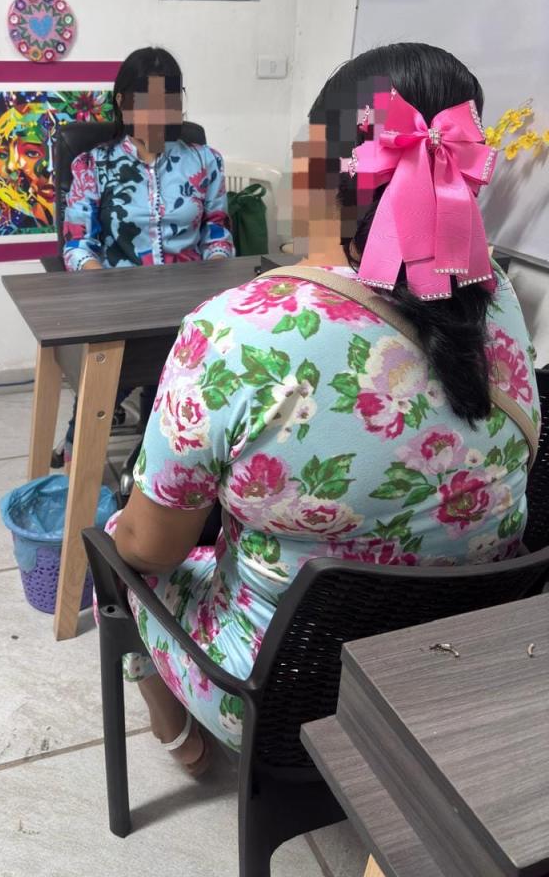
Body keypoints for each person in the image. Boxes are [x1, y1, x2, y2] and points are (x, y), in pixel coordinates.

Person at [105, 42, 540, 773]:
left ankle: (178, 736)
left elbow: (154, 550)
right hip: (454, 655)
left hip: (284, 696)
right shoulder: (494, 293)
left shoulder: (233, 332)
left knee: (115, 545)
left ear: (313, 171)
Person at [60, 47, 234, 461]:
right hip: (119, 306)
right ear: (123, 102)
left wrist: (216, 286)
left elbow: (218, 234)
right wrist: (106, 292)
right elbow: (78, 246)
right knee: (103, 395)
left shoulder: (204, 161)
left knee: (191, 395)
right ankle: (79, 453)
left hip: (191, 307)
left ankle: (163, 462)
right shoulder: (92, 165)